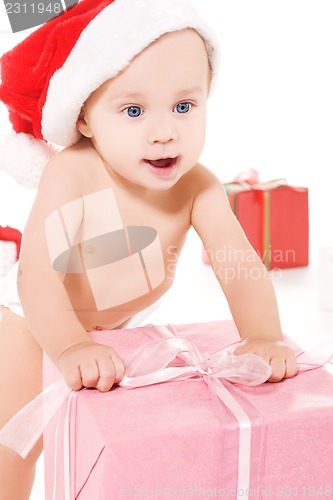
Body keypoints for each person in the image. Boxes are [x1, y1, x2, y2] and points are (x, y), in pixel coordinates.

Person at [0, 0, 298, 497]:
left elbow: (237, 263)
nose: (164, 132)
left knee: (104, 433)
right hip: (31, 318)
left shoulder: (198, 185)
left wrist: (265, 334)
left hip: (117, 324)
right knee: (17, 441)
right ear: (86, 120)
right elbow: (38, 276)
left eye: (184, 106)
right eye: (134, 110)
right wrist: (71, 344)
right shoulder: (72, 172)